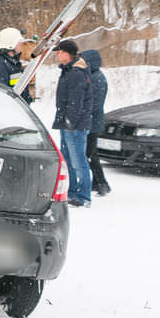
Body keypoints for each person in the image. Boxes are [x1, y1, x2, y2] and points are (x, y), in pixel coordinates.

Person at [52, 39, 93, 208]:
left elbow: (76, 101)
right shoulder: (68, 71)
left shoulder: (76, 73)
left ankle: (84, 195)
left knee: (78, 161)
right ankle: (72, 192)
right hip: (67, 124)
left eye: (59, 52)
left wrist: (70, 121)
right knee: (67, 160)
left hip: (75, 126)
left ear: (66, 54)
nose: (57, 55)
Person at [81, 49, 112, 197]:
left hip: (92, 122)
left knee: (90, 153)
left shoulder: (97, 78)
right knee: (91, 153)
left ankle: (102, 183)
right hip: (91, 121)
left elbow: (94, 103)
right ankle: (98, 182)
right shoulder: (92, 76)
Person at [0, 27, 32, 103]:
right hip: (11, 110)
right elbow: (1, 94)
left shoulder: (15, 63)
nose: (20, 44)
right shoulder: (0, 65)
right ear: (10, 44)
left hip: (19, 109)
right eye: (18, 42)